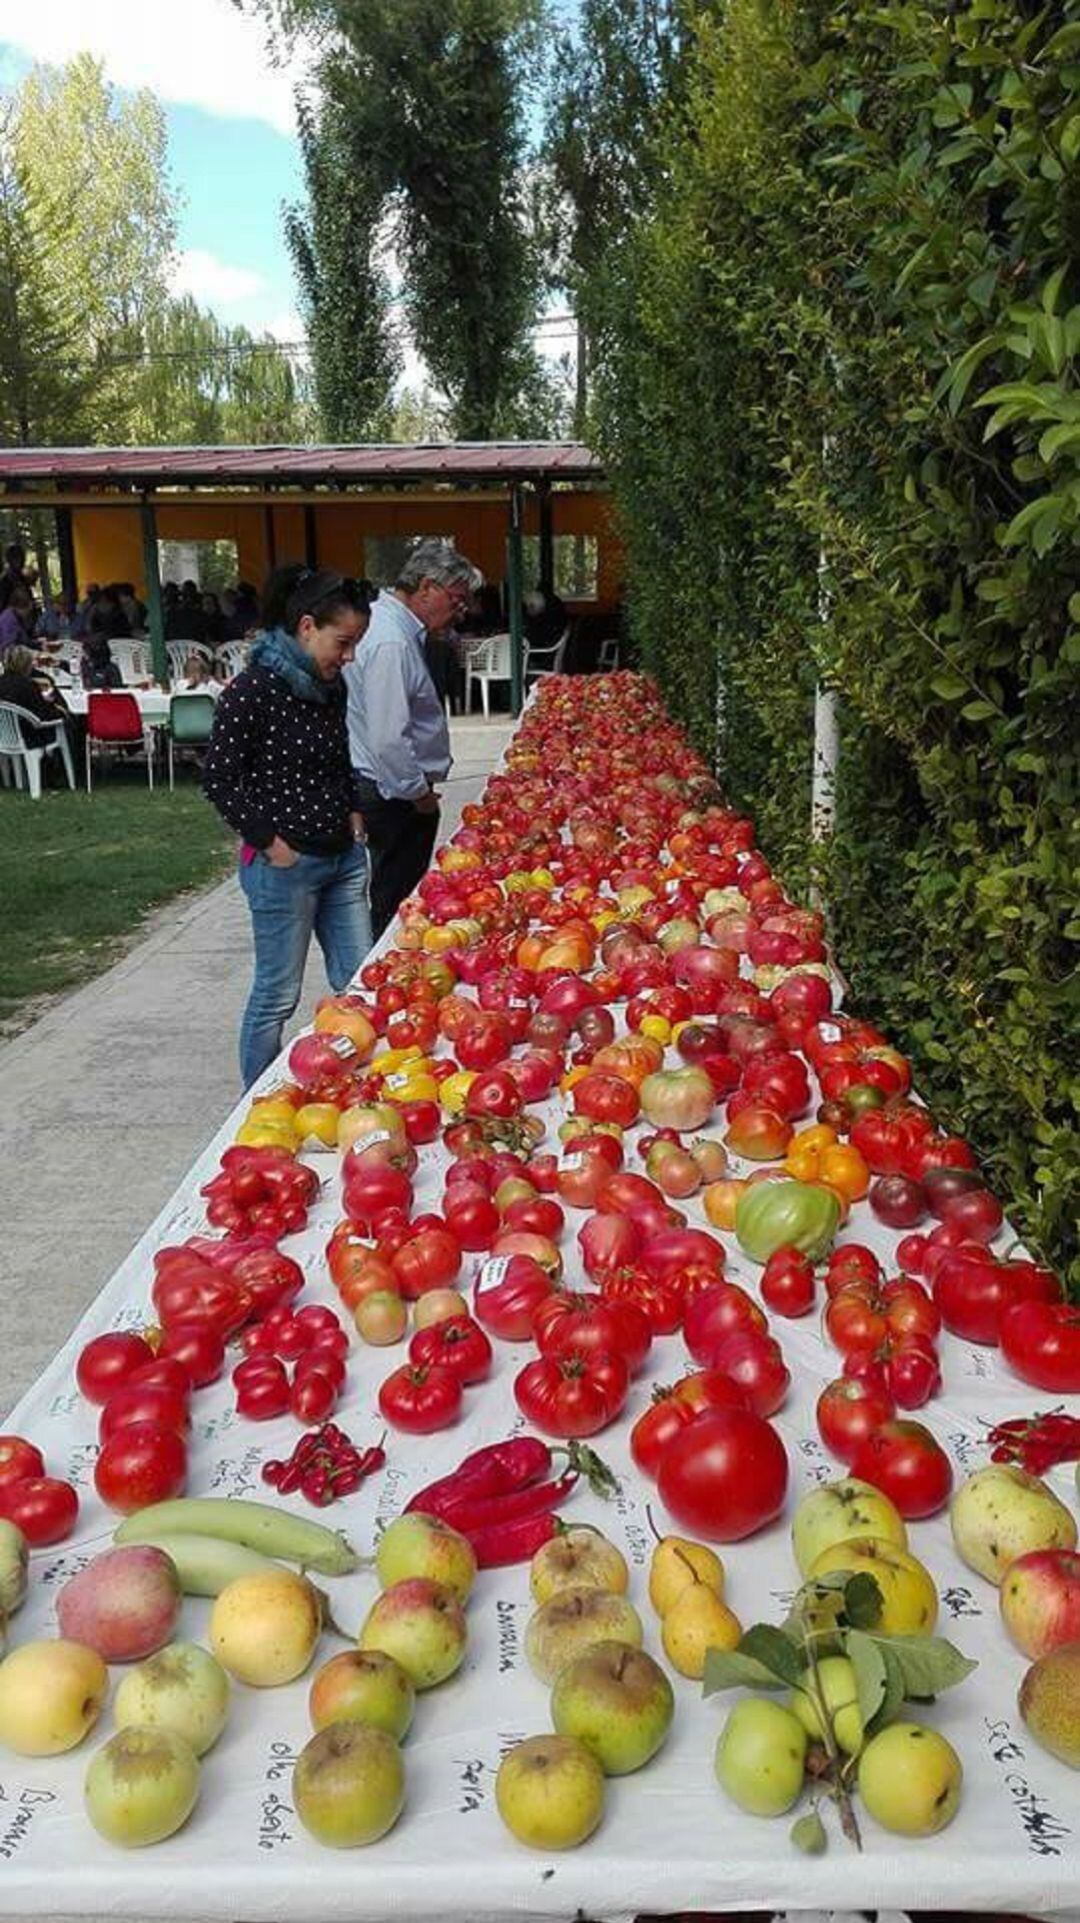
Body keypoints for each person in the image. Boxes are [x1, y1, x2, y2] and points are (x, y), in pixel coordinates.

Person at [203, 564, 372, 1087]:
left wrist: (351, 806)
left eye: (354, 646)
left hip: (342, 857)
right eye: (341, 643)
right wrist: (270, 843)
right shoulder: (251, 691)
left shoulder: (331, 687)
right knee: (277, 995)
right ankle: (258, 1103)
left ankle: (358, 1088)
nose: (347, 657)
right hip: (286, 866)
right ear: (306, 628)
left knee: (360, 986)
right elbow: (220, 779)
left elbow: (337, 755)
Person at [345, 538, 475, 939]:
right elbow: (388, 737)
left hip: (391, 788)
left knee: (396, 892)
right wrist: (416, 793)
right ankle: (385, 975)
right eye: (454, 599)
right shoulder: (391, 641)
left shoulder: (393, 629)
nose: (460, 611)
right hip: (392, 794)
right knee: (397, 899)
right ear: (425, 588)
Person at [0, 584, 36, 656]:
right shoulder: (8, 621)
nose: (28, 614)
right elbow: (9, 650)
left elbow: (23, 640)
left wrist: (37, 643)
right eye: (27, 610)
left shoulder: (17, 617)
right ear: (20, 607)